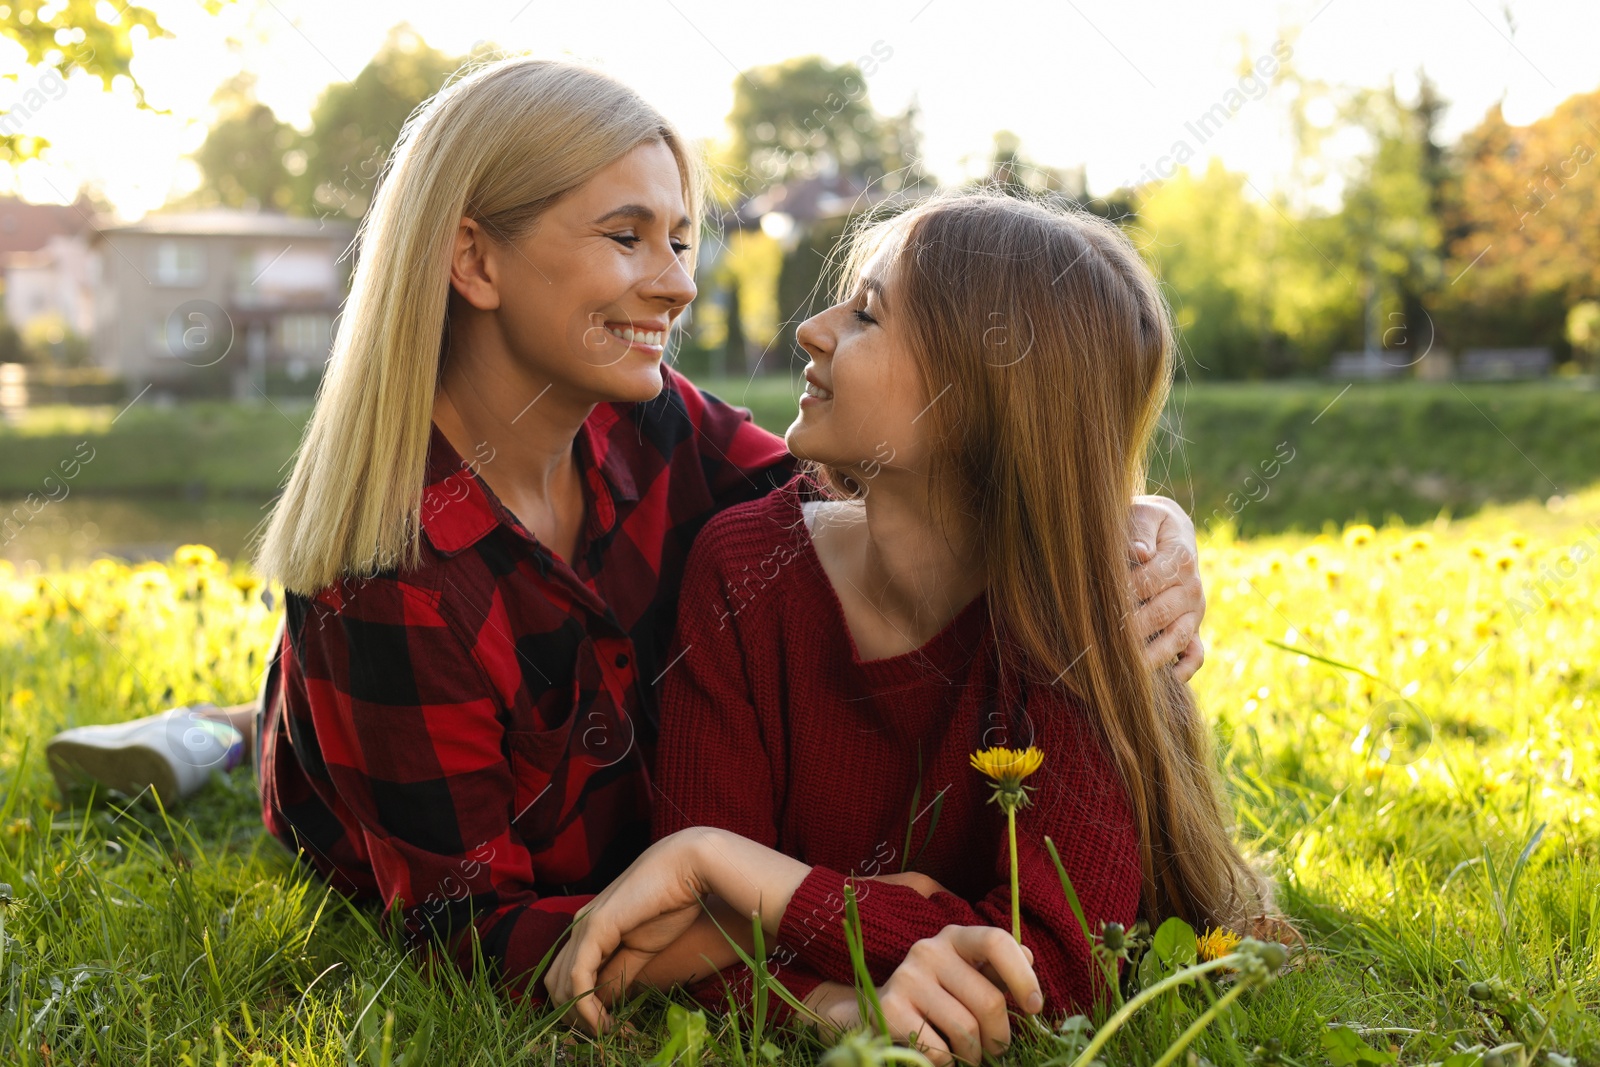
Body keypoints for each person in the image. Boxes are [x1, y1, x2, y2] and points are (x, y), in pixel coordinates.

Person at [42, 56, 1208, 1040]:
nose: (680, 281)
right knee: (316, 746)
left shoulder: (652, 422)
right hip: (388, 789)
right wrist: (847, 939)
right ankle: (228, 735)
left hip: (623, 791)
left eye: (683, 238)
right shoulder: (380, 585)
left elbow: (903, 492)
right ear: (476, 262)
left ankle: (232, 715)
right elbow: (478, 935)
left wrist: (1134, 519)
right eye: (627, 237)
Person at [542, 191, 1272, 1065]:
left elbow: (1054, 974)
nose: (812, 328)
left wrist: (737, 868)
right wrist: (847, 1000)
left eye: (868, 314)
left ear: (979, 395)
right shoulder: (742, 568)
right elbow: (680, 942)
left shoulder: (1086, 614)